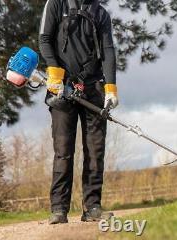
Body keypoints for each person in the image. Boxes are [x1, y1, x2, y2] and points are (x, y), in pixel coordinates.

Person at [39, 0, 118, 224]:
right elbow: (44, 38)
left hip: (93, 87)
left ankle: (92, 207)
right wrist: (54, 73)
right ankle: (59, 209)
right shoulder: (55, 4)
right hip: (61, 87)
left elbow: (108, 50)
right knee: (63, 151)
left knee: (95, 150)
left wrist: (111, 87)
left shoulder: (100, 13)